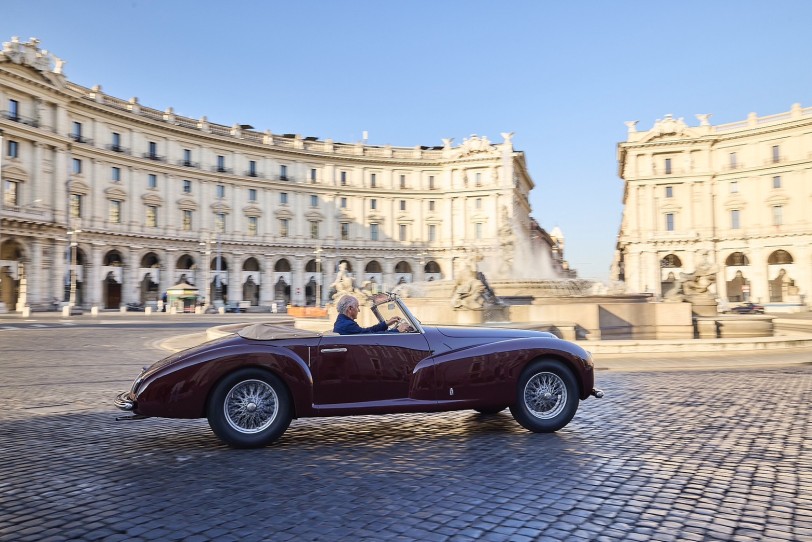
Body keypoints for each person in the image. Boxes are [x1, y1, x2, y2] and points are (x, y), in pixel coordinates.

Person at [333, 295, 406, 335]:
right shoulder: (347, 325)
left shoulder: (342, 321)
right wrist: (397, 331)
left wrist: (386, 324)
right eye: (357, 307)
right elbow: (370, 335)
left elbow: (367, 331)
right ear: (350, 309)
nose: (359, 310)